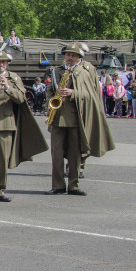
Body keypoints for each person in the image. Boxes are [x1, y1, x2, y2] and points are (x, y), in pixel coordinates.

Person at [0, 49, 47, 201]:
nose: (1, 64)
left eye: (4, 62)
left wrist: (7, 87)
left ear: (7, 64)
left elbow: (20, 98)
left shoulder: (14, 78)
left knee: (2, 160)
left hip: (5, 124)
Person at [46, 43, 115, 196]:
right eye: (67, 55)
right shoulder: (57, 71)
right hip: (58, 118)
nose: (69, 57)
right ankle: (57, 185)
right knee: (56, 154)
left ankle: (74, 185)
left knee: (75, 154)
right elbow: (50, 90)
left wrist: (73, 92)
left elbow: (92, 94)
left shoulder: (86, 71)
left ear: (79, 56)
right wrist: (50, 103)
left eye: (72, 55)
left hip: (76, 118)